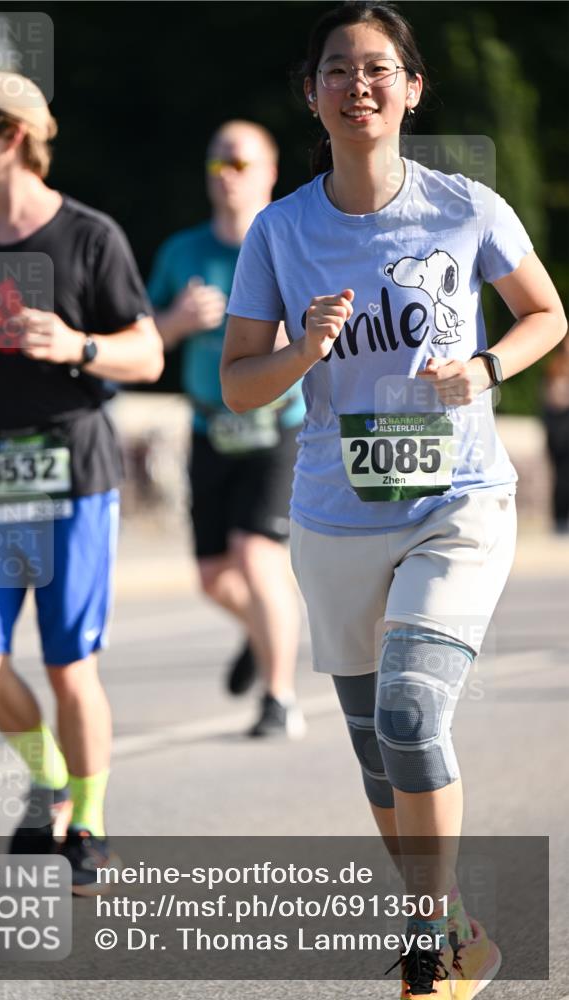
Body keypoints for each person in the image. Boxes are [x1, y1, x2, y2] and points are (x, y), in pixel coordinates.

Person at [221, 3, 566, 997]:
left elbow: (547, 312)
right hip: (334, 515)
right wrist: (303, 349)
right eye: (338, 69)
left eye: (378, 69)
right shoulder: (281, 231)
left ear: (411, 89)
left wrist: (488, 365)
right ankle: (456, 926)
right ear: (312, 94)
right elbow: (240, 381)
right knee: (380, 751)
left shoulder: (467, 207)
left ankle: (430, 938)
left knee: (413, 712)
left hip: (455, 499)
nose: (357, 84)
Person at [0, 72, 164, 894]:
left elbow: (148, 354)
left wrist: (79, 346)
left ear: (11, 134)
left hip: (72, 468)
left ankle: (85, 821)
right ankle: (49, 773)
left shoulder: (90, 236)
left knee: (66, 666)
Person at [148, 120, 306, 738]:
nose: (227, 175)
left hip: (277, 423)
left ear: (268, 174)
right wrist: (178, 319)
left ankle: (279, 696)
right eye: (217, 163)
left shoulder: (291, 245)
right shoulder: (182, 253)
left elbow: (332, 333)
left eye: (240, 163)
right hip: (209, 425)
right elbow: (142, 339)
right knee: (214, 576)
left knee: (256, 554)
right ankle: (263, 633)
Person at [542, 341, 569, 533]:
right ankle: (559, 519)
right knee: (561, 475)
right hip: (559, 427)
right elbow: (553, 399)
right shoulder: (556, 367)